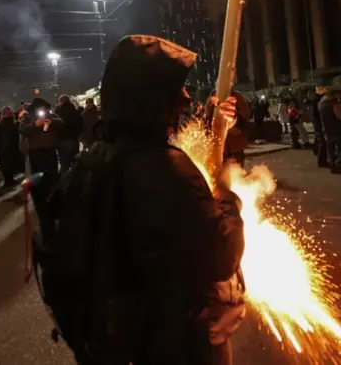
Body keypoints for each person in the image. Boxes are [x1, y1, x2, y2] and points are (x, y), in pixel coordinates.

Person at [100, 35, 245, 365]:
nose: (185, 97)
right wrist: (225, 195)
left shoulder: (105, 156)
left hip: (131, 332)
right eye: (177, 88)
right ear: (154, 98)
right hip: (182, 337)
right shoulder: (165, 169)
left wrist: (216, 125)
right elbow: (222, 254)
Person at [20, 98, 63, 191]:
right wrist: (35, 124)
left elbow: (62, 124)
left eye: (42, 107)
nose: (40, 109)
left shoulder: (51, 115)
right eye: (38, 107)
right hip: (35, 151)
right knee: (37, 176)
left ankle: (52, 194)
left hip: (50, 150)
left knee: (52, 176)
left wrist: (52, 121)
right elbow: (23, 130)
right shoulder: (28, 117)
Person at [55, 95, 83, 175]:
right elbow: (81, 125)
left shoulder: (59, 112)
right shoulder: (76, 111)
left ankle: (63, 182)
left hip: (63, 140)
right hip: (74, 139)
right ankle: (75, 180)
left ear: (61, 102)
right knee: (75, 161)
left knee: (64, 164)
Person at [0, 107, 22, 186]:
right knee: (11, 164)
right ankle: (10, 180)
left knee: (4, 165)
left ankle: (8, 180)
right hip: (13, 147)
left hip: (2, 148)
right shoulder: (15, 124)